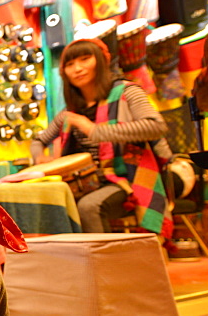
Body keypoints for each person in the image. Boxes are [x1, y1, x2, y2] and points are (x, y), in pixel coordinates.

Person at [31, 37, 172, 234]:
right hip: (85, 182)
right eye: (70, 64)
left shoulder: (127, 91)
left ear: (101, 61)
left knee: (88, 207)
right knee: (51, 206)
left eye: (85, 59)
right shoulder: (69, 113)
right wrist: (39, 158)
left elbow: (156, 126)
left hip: (127, 178)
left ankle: (103, 264)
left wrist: (95, 131)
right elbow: (38, 140)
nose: (77, 68)